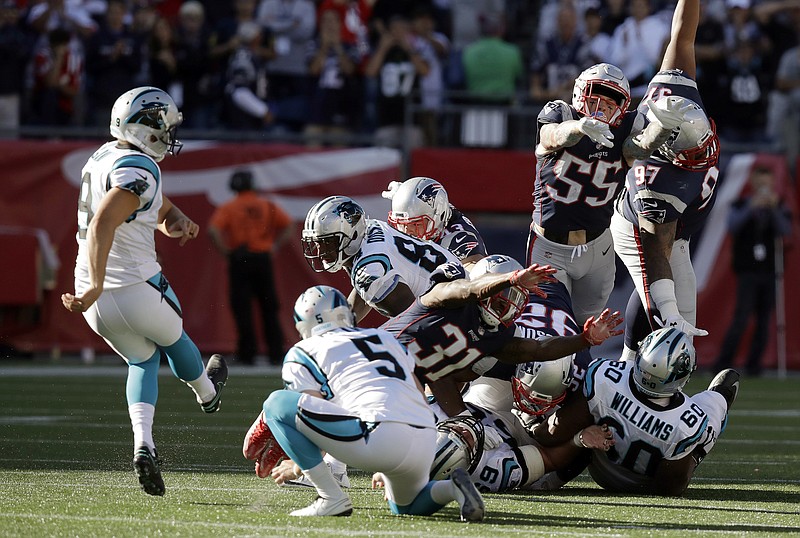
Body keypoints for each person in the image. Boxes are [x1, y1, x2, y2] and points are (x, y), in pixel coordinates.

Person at [61, 86, 228, 496]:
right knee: (175, 338)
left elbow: (139, 201)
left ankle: (143, 445)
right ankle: (208, 393)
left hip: (92, 297)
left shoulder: (103, 156)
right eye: (165, 126)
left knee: (142, 359)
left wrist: (171, 215)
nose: (169, 134)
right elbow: (105, 219)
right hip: (131, 285)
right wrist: (101, 284)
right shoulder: (142, 168)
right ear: (147, 126)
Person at [242, 285, 486, 520]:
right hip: (424, 438)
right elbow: (418, 393)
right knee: (408, 505)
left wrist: (297, 465)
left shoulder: (302, 351)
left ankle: (330, 498)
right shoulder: (383, 337)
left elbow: (312, 415)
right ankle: (452, 489)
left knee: (276, 403)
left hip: (377, 435)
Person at [527, 60, 692, 326]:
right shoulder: (562, 114)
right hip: (550, 246)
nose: (602, 104)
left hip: (598, 248)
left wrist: (661, 129)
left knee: (586, 331)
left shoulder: (626, 127)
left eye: (611, 99)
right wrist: (579, 129)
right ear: (581, 93)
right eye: (597, 95)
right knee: (551, 327)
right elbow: (552, 136)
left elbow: (637, 149)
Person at [609, 0, 723, 360]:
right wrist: (670, 312)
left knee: (670, 317)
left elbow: (682, 34)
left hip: (677, 233)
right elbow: (657, 250)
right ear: (672, 152)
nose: (705, 152)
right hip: (640, 230)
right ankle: (630, 369)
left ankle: (629, 365)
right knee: (676, 325)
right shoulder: (656, 182)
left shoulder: (676, 95)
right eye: (696, 152)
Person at [381, 254, 623, 418]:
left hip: (413, 378)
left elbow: (539, 350)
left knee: (459, 428)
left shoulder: (496, 334)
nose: (510, 305)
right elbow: (466, 289)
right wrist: (511, 278)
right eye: (505, 294)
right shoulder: (447, 297)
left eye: (518, 298)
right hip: (377, 356)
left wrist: (585, 339)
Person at [532, 327, 740, 496]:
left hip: (600, 467)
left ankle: (550, 480)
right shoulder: (688, 423)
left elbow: (553, 434)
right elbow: (671, 488)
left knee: (587, 413)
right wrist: (694, 455)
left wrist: (538, 428)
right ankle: (717, 398)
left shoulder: (604, 376)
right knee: (715, 405)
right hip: (646, 486)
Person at [301, 195, 461, 322]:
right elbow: (363, 290)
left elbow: (414, 321)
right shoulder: (369, 229)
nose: (321, 250)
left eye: (328, 242)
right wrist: (342, 325)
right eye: (317, 242)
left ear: (353, 234)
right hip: (455, 285)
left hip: (458, 311)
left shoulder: (370, 271)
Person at [713, 165, 792, 376]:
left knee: (764, 319)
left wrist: (773, 209)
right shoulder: (741, 203)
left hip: (769, 270)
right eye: (760, 182)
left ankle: (754, 365)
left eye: (767, 182)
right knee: (741, 317)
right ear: (754, 182)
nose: (764, 186)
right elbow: (732, 226)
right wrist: (751, 207)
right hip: (747, 270)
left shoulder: (779, 205)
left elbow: (786, 230)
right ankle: (722, 363)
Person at [208, 169, 291, 366]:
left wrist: (227, 253)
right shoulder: (266, 204)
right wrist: (274, 246)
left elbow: (213, 230)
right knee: (269, 308)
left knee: (242, 309)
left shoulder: (230, 207)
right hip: (263, 259)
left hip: (240, 259)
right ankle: (276, 354)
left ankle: (247, 354)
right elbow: (287, 225)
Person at [382, 176, 487, 267]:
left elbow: (475, 276)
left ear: (439, 216)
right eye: (401, 223)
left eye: (415, 224)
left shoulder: (460, 239)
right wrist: (405, 194)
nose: (406, 232)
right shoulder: (437, 210)